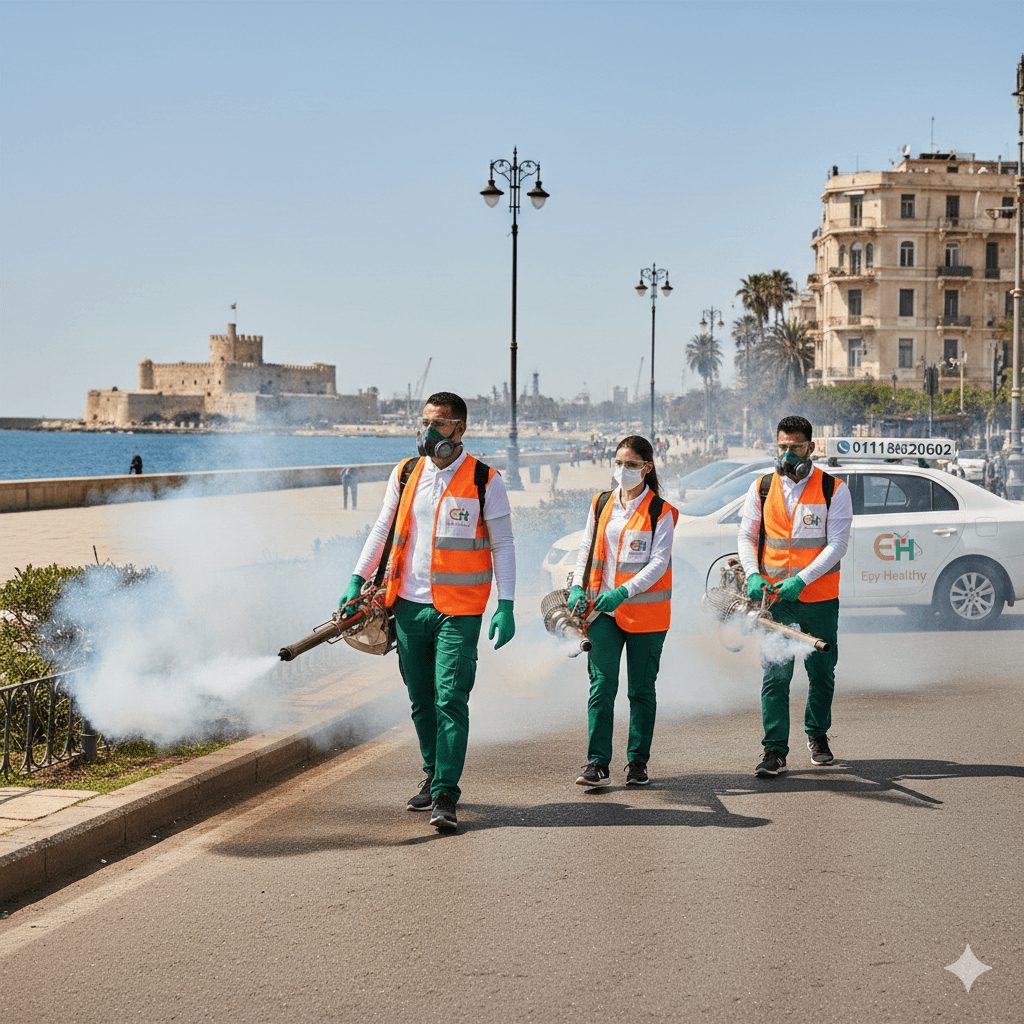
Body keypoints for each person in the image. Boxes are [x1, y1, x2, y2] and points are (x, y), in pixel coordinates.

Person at [339, 392, 516, 831]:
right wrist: (357, 579)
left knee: (450, 699)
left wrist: (506, 603)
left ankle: (445, 794)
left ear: (460, 429)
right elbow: (382, 529)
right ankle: (432, 770)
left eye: (438, 424)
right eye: (425, 423)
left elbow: (503, 545)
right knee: (421, 701)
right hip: (409, 606)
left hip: (460, 611)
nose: (428, 432)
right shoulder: (405, 474)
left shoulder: (484, 481)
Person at [737, 415, 853, 777]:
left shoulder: (834, 489)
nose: (788, 454)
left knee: (821, 671)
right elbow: (745, 536)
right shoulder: (762, 488)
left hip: (818, 596)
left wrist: (802, 580)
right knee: (775, 673)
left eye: (795, 447)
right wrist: (754, 575)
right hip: (776, 599)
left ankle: (817, 735)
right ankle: (774, 751)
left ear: (811, 448)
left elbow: (837, 545)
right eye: (782, 447)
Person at [568, 435, 678, 788]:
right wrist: (576, 585)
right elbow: (587, 547)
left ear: (647, 467)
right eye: (618, 463)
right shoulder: (602, 504)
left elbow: (659, 562)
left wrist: (623, 592)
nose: (622, 470)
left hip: (646, 615)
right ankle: (597, 762)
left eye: (630, 464)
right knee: (601, 686)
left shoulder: (661, 512)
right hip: (603, 615)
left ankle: (637, 762)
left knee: (641, 691)